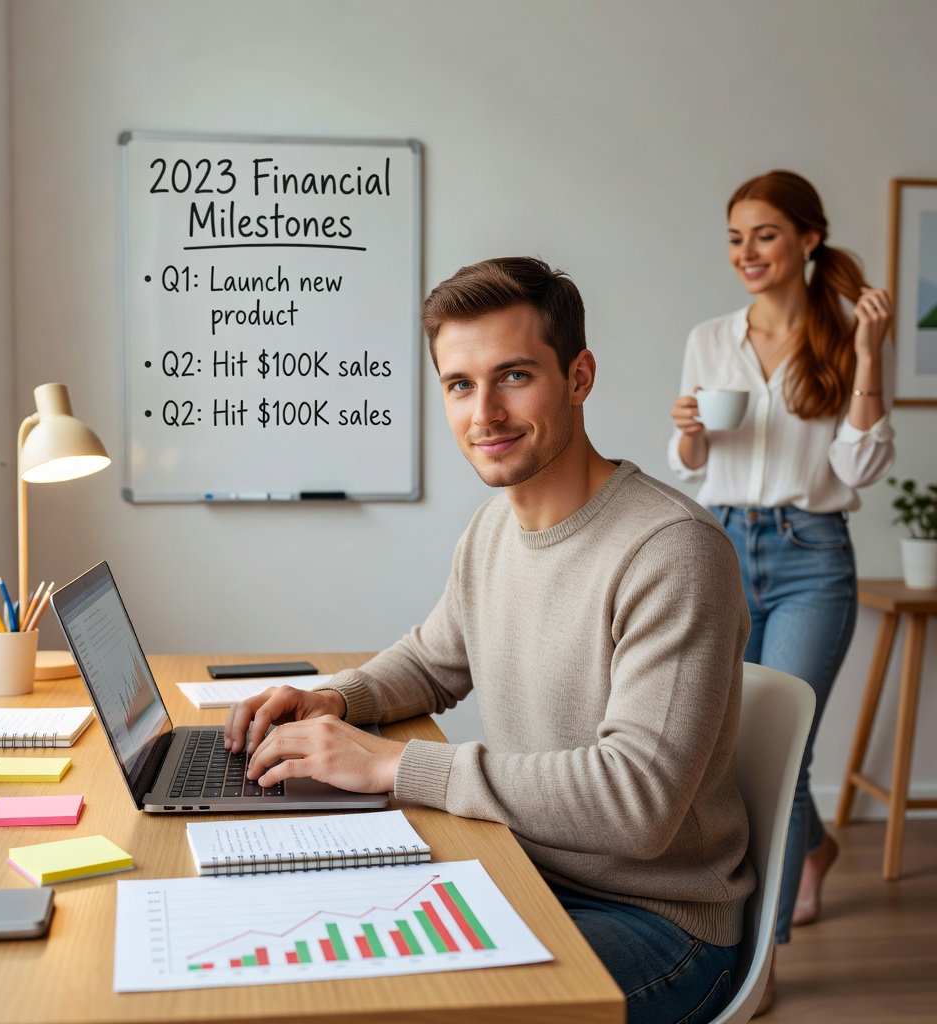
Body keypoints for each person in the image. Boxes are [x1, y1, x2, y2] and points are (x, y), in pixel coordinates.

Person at [225, 256, 754, 1024]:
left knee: (401, 1001)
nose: (485, 415)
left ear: (579, 377)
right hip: (520, 865)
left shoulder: (671, 550)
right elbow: (434, 661)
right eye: (460, 385)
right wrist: (335, 697)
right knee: (313, 942)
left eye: (513, 377)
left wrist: (397, 765)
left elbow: (636, 803)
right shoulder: (496, 527)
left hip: (656, 922)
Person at [667, 171, 895, 1014]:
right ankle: (817, 849)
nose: (746, 253)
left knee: (789, 752)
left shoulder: (844, 336)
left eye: (764, 235)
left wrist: (869, 357)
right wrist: (689, 435)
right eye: (735, 237)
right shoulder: (710, 338)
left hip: (812, 555)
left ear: (807, 238)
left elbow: (859, 466)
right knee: (726, 744)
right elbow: (691, 465)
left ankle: (763, 960)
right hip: (722, 543)